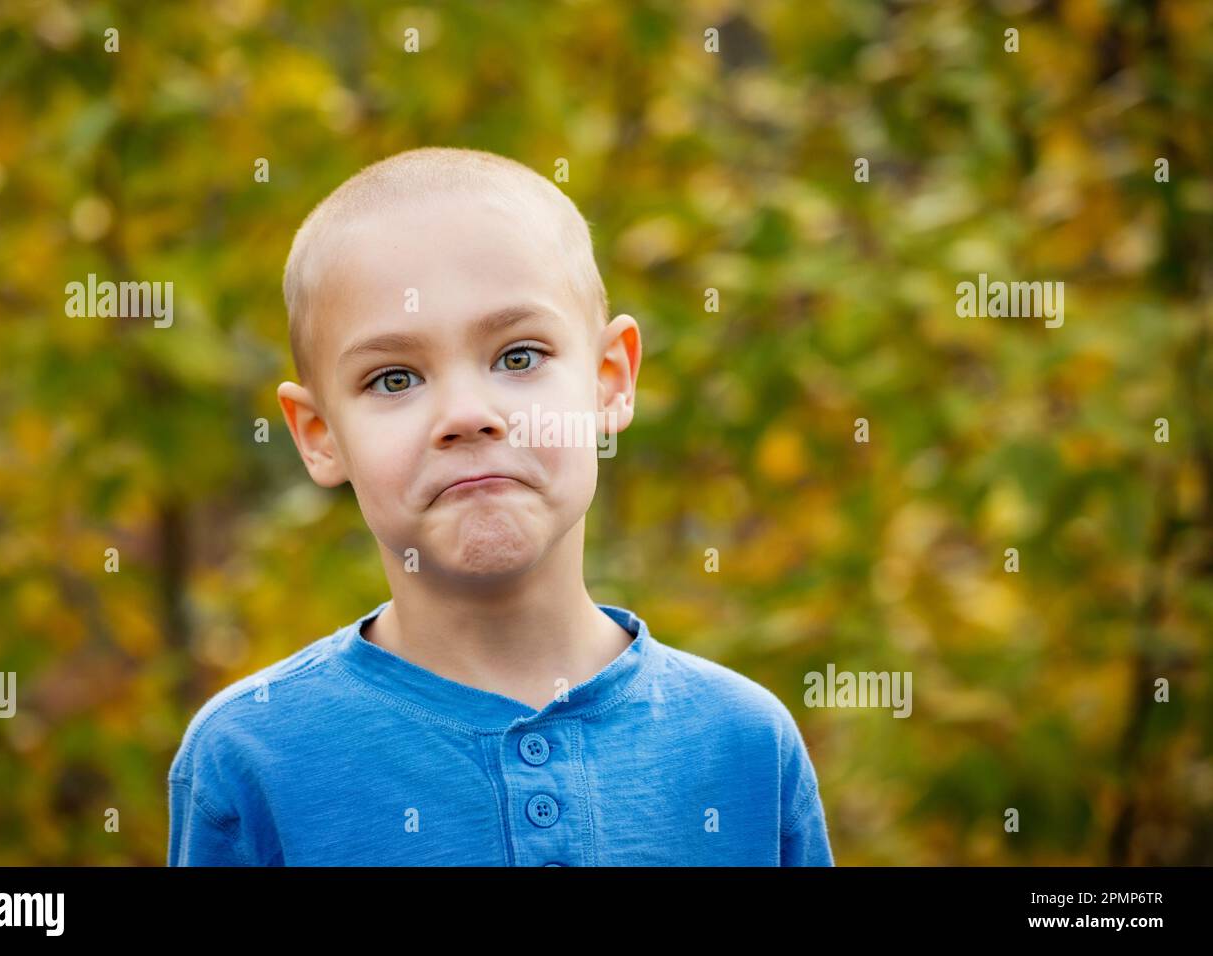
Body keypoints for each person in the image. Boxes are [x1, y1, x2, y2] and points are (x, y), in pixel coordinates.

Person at [167, 147, 833, 866]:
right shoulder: (252, 758)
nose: (466, 414)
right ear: (320, 436)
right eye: (394, 379)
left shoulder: (743, 747)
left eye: (518, 358)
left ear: (610, 382)